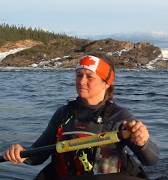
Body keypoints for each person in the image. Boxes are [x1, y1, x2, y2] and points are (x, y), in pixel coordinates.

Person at [2, 55, 159, 180]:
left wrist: (142, 143)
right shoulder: (64, 114)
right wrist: (21, 153)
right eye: (79, 75)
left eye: (89, 77)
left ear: (106, 83)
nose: (81, 81)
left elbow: (150, 161)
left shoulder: (120, 116)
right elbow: (37, 155)